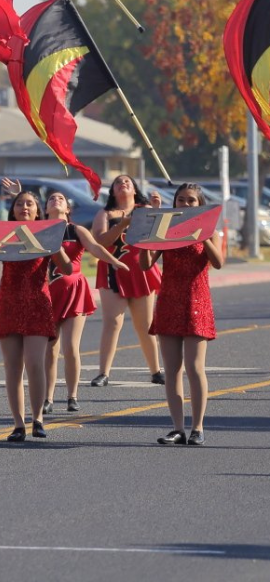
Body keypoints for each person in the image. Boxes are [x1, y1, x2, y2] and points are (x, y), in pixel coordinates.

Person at [0, 190, 72, 442]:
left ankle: (38, 419)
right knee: (12, 367)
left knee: (34, 363)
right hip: (9, 302)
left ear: (37, 209)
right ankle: (18, 424)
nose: (24, 208)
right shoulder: (6, 234)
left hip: (37, 303)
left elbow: (67, 268)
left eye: (29, 204)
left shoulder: (44, 233)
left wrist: (56, 244)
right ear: (13, 209)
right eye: (19, 204)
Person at [139, 183, 223, 446]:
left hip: (196, 300)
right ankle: (177, 428)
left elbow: (218, 262)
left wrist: (202, 234)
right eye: (181, 201)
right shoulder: (168, 231)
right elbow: (145, 264)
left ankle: (197, 427)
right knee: (172, 369)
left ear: (200, 205)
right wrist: (150, 233)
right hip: (169, 301)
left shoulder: (211, 231)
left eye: (191, 201)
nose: (185, 206)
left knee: (194, 368)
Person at [35, 186, 127, 414]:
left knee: (70, 347)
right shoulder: (38, 230)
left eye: (61, 198)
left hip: (73, 290)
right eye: (51, 199)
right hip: (46, 293)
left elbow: (96, 247)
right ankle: (48, 397)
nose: (56, 200)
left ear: (67, 208)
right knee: (50, 348)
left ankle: (72, 396)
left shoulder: (75, 230)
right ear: (45, 208)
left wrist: (115, 262)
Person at [91, 175, 165, 388]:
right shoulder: (105, 214)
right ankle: (103, 373)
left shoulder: (145, 209)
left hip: (140, 270)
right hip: (112, 270)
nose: (122, 184)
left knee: (146, 325)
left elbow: (159, 237)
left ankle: (156, 371)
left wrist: (157, 211)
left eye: (127, 182)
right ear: (112, 191)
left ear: (135, 190)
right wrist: (122, 224)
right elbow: (101, 242)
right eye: (118, 182)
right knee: (113, 322)